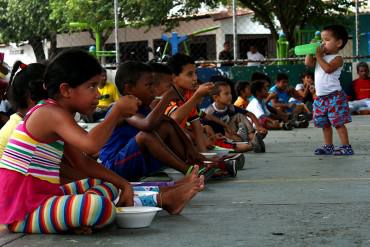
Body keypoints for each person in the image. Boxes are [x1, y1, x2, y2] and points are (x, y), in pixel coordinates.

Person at [0, 49, 204, 234]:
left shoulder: (58, 115)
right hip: (20, 209)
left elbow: (82, 162)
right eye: (91, 86)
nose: (97, 94)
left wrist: (123, 184)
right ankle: (159, 201)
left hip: (41, 196)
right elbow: (90, 145)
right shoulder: (48, 113)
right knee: (99, 207)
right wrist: (115, 112)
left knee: (105, 186)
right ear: (66, 90)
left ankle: (73, 219)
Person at [99, 61, 209, 181]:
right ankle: (188, 170)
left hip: (132, 162)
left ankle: (194, 164)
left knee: (165, 126)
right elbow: (147, 125)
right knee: (145, 136)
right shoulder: (122, 108)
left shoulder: (144, 108)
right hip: (115, 167)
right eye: (149, 85)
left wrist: (191, 149)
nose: (153, 90)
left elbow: (170, 122)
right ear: (129, 89)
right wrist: (166, 98)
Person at [305, 25, 353, 155]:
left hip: (334, 97)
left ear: (338, 43)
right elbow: (308, 63)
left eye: (326, 40)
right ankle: (328, 146)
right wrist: (311, 50)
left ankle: (346, 146)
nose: (322, 43)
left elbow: (328, 69)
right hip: (320, 97)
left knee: (338, 122)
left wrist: (319, 56)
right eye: (321, 40)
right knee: (324, 123)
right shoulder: (320, 56)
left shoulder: (337, 58)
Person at [166, 53, 214, 152]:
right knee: (186, 137)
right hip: (164, 141)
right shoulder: (168, 93)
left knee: (201, 138)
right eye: (190, 74)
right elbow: (173, 119)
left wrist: (204, 155)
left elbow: (195, 124)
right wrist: (196, 96)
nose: (195, 78)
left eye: (195, 73)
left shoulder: (188, 94)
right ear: (174, 77)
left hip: (177, 137)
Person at [205, 81, 267, 153]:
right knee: (234, 139)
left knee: (239, 115)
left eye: (230, 93)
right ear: (216, 97)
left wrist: (258, 126)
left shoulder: (231, 107)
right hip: (222, 135)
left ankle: (251, 136)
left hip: (231, 130)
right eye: (226, 94)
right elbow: (206, 128)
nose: (230, 96)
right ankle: (250, 142)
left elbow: (249, 114)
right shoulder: (209, 111)